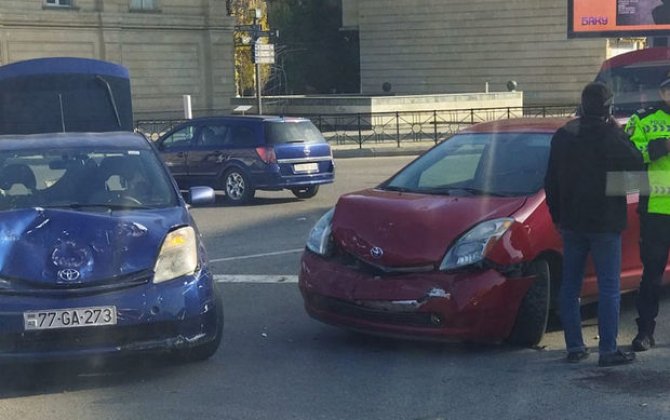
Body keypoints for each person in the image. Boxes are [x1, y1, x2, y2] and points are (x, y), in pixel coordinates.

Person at [545, 82, 642, 367]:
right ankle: (607, 350)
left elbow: (550, 180)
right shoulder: (612, 135)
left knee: (570, 286)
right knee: (609, 288)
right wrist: (624, 135)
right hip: (605, 223)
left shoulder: (563, 135)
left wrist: (557, 216)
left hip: (572, 222)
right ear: (608, 107)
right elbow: (637, 165)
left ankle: (574, 347)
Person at [625, 72, 670, 352]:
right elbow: (629, 154)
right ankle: (645, 332)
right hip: (656, 207)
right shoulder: (642, 119)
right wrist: (662, 146)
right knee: (652, 274)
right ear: (663, 92)